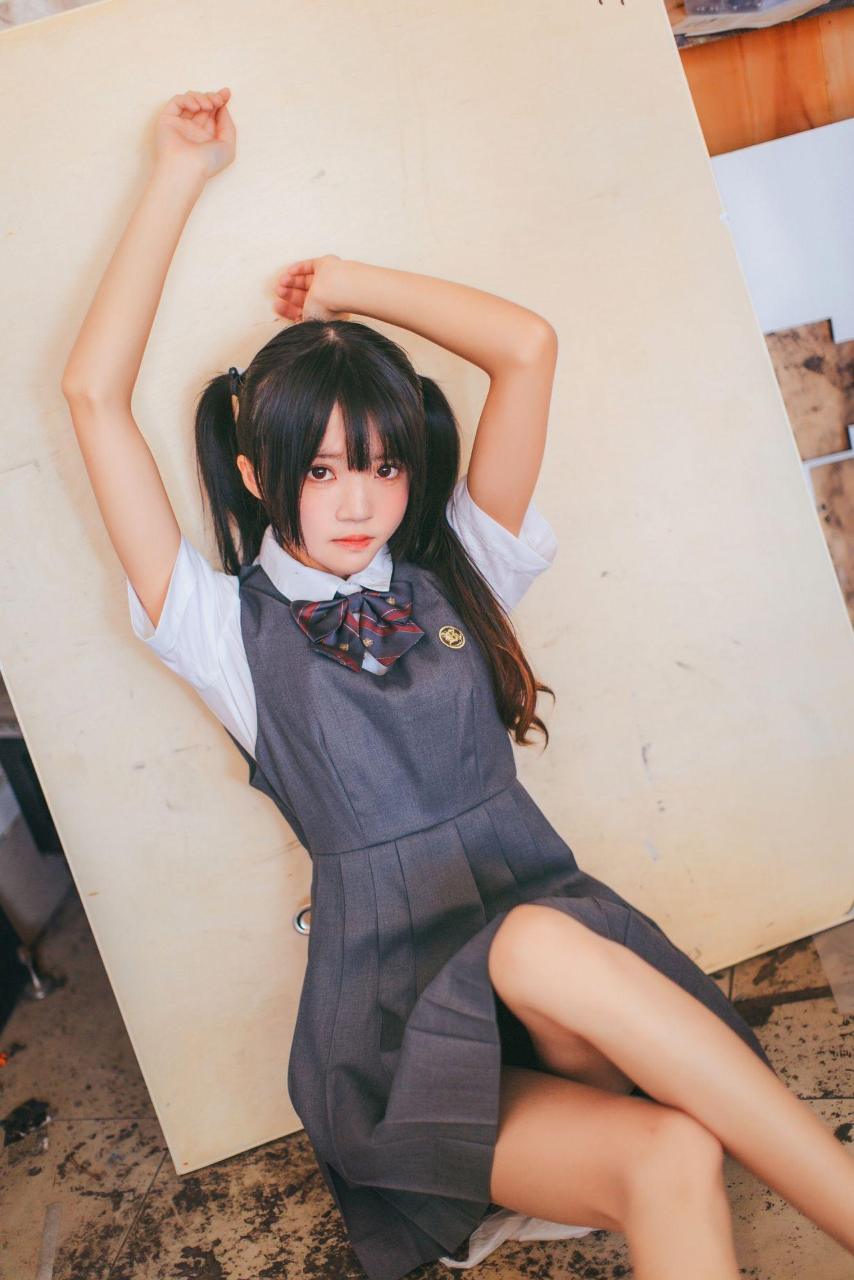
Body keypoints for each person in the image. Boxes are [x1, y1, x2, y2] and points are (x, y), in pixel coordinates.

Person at [60, 88, 854, 1280]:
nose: (357, 500)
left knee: (532, 938)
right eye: (320, 468)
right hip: (397, 1041)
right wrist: (180, 171)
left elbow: (524, 344)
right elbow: (92, 395)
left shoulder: (457, 572)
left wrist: (343, 284)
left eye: (382, 466)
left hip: (561, 996)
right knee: (672, 1151)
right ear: (254, 470)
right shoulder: (223, 630)